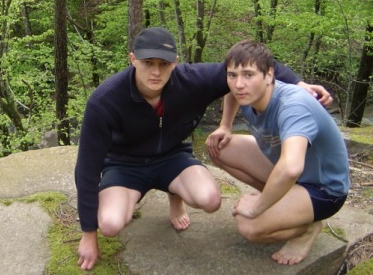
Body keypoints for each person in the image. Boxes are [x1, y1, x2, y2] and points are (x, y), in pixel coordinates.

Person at [74, 27, 332, 270]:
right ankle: (134, 199)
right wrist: (88, 234)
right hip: (125, 165)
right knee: (110, 225)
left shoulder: (192, 80)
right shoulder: (105, 100)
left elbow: (252, 67)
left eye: (164, 64)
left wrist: (299, 85)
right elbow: (86, 169)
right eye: (148, 63)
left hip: (172, 158)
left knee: (210, 200)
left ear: (175, 62)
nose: (156, 72)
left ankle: (175, 197)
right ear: (133, 60)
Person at [206, 40, 349, 266]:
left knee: (249, 225)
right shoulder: (247, 93)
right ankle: (283, 205)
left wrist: (258, 206)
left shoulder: (293, 106)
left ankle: (307, 229)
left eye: (249, 75)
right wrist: (225, 126)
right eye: (232, 75)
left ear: (269, 74)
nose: (239, 84)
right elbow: (231, 93)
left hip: (323, 189)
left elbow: (291, 168)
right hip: (290, 171)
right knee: (219, 147)